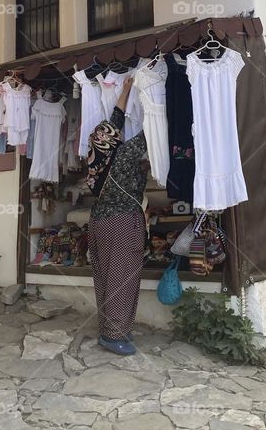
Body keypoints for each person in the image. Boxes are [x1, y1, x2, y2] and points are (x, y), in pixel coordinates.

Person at [86, 76, 148, 355]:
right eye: (116, 133)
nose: (120, 133)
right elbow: (152, 133)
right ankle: (114, 336)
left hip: (98, 221)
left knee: (105, 277)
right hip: (122, 223)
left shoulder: (96, 161)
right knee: (122, 277)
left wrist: (125, 91)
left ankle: (108, 329)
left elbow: (114, 121)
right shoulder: (124, 155)